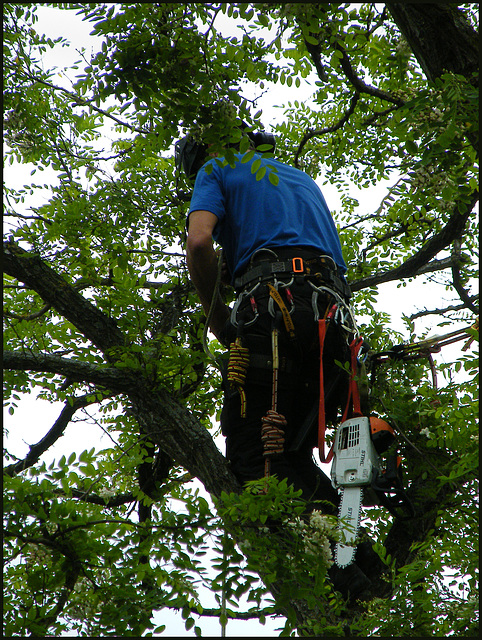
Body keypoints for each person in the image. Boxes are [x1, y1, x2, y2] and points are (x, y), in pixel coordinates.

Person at [181, 130, 379, 599]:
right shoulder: (300, 180)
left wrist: (218, 319)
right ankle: (364, 565)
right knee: (290, 455)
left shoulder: (216, 167)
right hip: (332, 326)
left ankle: (347, 581)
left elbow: (198, 241)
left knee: (253, 460)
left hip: (274, 316)